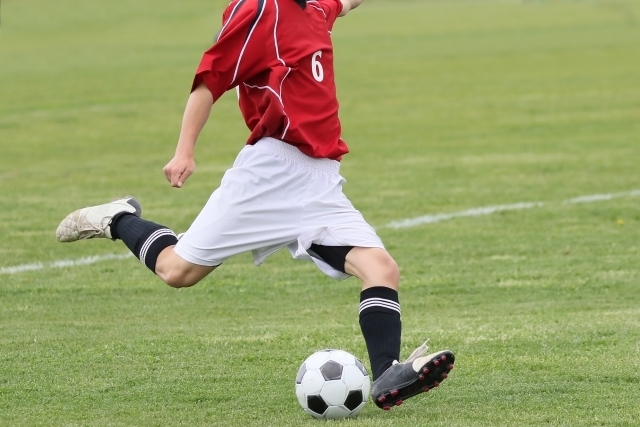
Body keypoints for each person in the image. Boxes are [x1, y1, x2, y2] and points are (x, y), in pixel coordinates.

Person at [56, 0, 454, 410]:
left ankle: (388, 373)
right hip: (269, 175)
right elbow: (209, 80)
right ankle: (118, 217)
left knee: (381, 268)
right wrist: (184, 151)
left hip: (319, 182)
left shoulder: (316, 7)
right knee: (177, 271)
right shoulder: (262, 9)